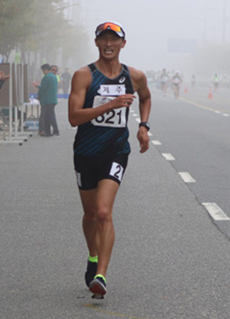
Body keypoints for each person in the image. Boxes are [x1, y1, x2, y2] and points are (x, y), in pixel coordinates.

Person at [68, 21, 151, 299]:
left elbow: (146, 98)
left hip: (115, 152)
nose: (108, 44)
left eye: (113, 39)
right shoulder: (84, 76)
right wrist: (109, 105)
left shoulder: (135, 76)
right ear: (96, 43)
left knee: (104, 212)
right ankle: (92, 256)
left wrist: (143, 126)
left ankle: (101, 275)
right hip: (85, 153)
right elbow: (73, 118)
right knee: (90, 214)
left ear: (122, 44)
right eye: (103, 39)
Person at [37, 63, 59, 137]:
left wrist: (39, 96)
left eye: (43, 71)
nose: (43, 72)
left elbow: (42, 88)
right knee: (50, 116)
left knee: (48, 116)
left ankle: (51, 131)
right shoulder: (54, 77)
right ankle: (49, 131)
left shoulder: (46, 77)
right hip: (52, 99)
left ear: (45, 70)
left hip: (47, 100)